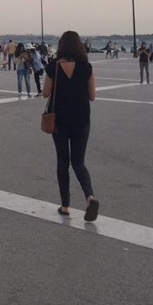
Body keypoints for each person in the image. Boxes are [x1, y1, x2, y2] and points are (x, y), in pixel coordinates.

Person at [42, 30, 99, 221]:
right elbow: (92, 96)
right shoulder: (87, 67)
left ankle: (65, 205)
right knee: (78, 162)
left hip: (59, 120)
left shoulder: (53, 67)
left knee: (62, 162)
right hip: (81, 119)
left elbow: (45, 93)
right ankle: (90, 196)